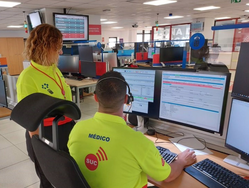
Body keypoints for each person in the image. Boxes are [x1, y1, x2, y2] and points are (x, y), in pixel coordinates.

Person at [67, 71, 196, 188]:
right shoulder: (138, 141)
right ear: (126, 99)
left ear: (95, 98)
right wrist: (181, 161)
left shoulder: (77, 129)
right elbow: (168, 176)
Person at [16, 23, 74, 188]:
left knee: (68, 177)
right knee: (48, 180)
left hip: (65, 128)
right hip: (44, 134)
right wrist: (41, 150)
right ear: (44, 47)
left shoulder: (54, 69)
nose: (61, 52)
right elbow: (29, 119)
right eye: (57, 48)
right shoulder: (28, 77)